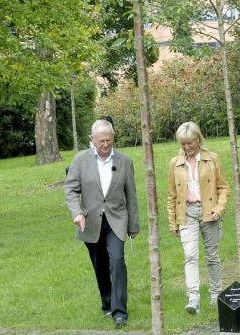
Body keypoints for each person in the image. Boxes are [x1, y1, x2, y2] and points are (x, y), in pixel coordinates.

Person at [64, 119, 139, 329]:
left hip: (116, 220)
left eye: (109, 140)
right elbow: (70, 190)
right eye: (101, 141)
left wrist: (133, 225)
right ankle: (107, 303)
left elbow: (131, 195)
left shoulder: (125, 161)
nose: (105, 144)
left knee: (117, 261)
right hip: (90, 222)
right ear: (93, 140)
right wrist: (77, 213)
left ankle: (120, 313)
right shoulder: (80, 160)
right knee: (100, 265)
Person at [167, 121, 230, 315]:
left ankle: (215, 295)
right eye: (183, 144)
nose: (187, 148)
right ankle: (193, 298)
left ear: (198, 139)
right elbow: (172, 195)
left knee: (212, 257)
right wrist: (173, 221)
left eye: (190, 143)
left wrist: (218, 209)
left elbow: (223, 187)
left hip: (209, 212)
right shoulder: (175, 163)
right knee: (190, 256)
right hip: (186, 213)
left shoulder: (212, 159)